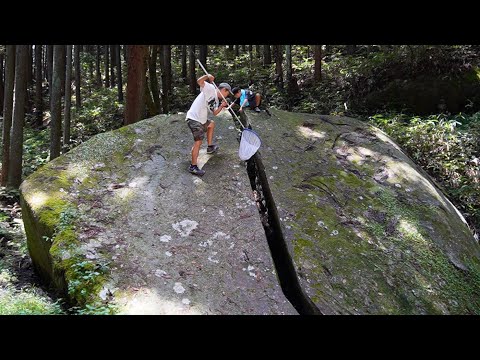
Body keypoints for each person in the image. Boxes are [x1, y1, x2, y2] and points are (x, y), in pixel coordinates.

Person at [185, 73, 232, 176]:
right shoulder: (210, 88)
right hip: (194, 118)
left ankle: (210, 147)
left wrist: (221, 106)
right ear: (224, 90)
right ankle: (193, 166)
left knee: (211, 124)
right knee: (198, 142)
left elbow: (214, 113)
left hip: (201, 120)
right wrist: (207, 76)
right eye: (227, 94)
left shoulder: (215, 100)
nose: (226, 96)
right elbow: (199, 81)